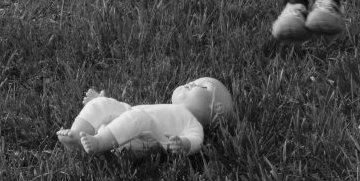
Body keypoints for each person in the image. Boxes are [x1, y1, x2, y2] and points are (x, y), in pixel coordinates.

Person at [56, 77, 233, 157]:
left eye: (203, 87)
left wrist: (183, 144)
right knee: (105, 104)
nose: (192, 82)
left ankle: (99, 142)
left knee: (139, 117)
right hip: (130, 119)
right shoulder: (171, 107)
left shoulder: (194, 123)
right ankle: (77, 134)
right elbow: (130, 113)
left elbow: (196, 141)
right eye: (195, 80)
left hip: (144, 138)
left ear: (215, 108)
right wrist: (104, 102)